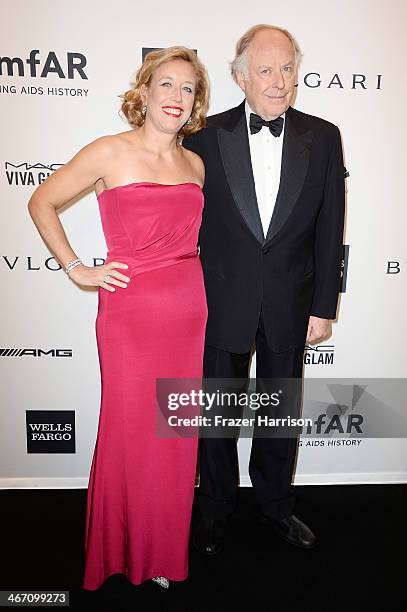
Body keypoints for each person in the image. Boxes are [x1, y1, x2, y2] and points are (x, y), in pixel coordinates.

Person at [27, 46, 210, 590]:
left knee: (174, 433)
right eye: (167, 85)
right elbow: (41, 201)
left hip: (188, 310)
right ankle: (120, 550)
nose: (177, 97)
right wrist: (77, 268)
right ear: (145, 90)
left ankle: (160, 553)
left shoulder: (195, 164)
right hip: (130, 314)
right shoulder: (109, 151)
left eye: (188, 89)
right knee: (131, 432)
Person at [183, 24, 346, 554]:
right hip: (221, 298)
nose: (280, 82)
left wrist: (324, 306)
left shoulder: (323, 137)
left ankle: (276, 508)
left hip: (291, 301)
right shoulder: (203, 134)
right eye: (266, 70)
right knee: (218, 417)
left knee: (279, 416)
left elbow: (329, 228)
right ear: (240, 77)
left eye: (288, 69)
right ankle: (215, 512)